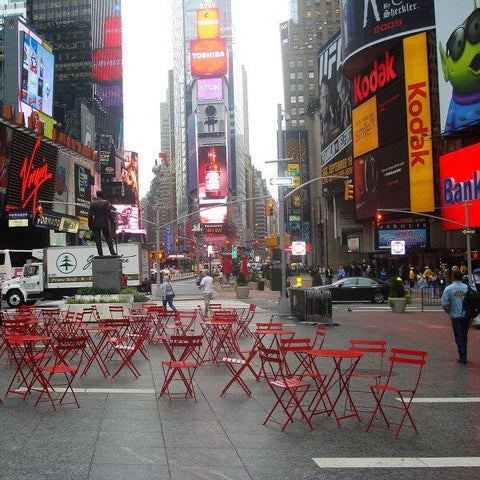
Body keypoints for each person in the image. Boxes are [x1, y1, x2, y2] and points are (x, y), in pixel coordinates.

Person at [441, 270, 469, 364]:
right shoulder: (467, 288)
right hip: (465, 315)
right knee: (464, 335)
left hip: (455, 315)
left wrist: (449, 311)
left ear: (452, 277)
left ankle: (462, 355)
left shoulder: (449, 289)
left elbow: (444, 303)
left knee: (458, 336)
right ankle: (464, 353)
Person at [88, 191, 117, 257]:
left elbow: (90, 216)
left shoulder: (93, 204)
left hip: (96, 223)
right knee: (108, 238)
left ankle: (100, 254)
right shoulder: (105, 203)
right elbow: (109, 214)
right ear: (102, 195)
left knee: (98, 239)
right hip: (104, 222)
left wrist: (90, 225)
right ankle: (112, 252)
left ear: (97, 195)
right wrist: (112, 222)